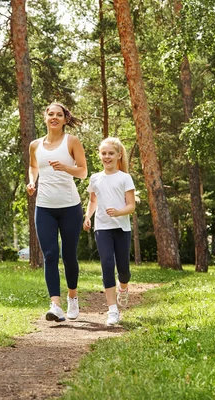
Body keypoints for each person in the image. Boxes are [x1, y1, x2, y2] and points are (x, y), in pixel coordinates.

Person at [26, 102, 87, 322]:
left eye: (58, 115)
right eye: (50, 114)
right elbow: (33, 167)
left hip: (70, 207)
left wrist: (66, 167)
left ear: (64, 119)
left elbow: (83, 171)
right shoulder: (35, 145)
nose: (54, 117)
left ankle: (72, 297)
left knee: (69, 255)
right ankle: (55, 305)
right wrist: (32, 182)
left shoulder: (71, 142)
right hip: (44, 208)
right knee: (50, 255)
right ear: (45, 118)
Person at [83, 137, 135, 326]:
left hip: (121, 228)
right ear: (99, 155)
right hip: (102, 227)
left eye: (111, 153)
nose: (107, 156)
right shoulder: (95, 178)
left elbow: (131, 206)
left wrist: (118, 212)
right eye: (103, 153)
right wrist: (88, 216)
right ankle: (112, 310)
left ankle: (124, 287)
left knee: (123, 270)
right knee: (106, 264)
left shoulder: (125, 178)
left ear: (118, 155)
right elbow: (93, 201)